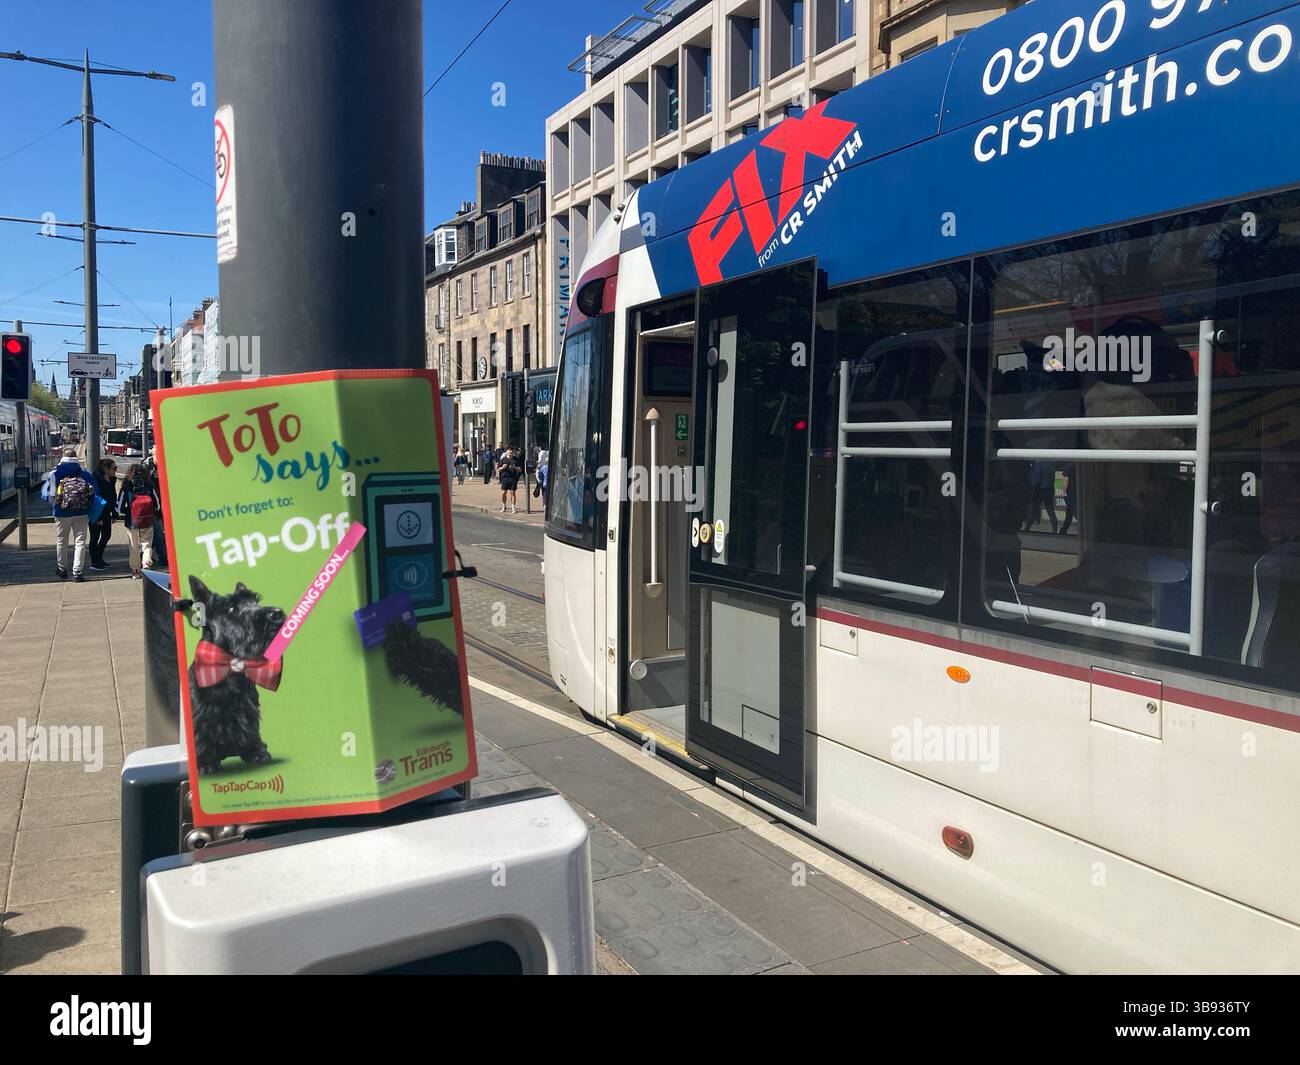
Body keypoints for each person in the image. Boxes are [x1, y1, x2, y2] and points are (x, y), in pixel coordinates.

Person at [51, 447, 97, 582]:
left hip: (61, 512)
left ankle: (62, 569)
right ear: (76, 458)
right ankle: (77, 573)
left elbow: (46, 494)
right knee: (80, 542)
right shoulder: (85, 474)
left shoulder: (55, 474)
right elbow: (96, 493)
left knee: (61, 540)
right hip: (82, 512)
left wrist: (55, 505)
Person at [118, 462, 161, 580]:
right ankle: (146, 563)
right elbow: (157, 505)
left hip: (131, 521)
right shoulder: (148, 485)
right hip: (147, 520)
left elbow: (119, 507)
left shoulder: (126, 486)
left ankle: (135, 570)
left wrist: (126, 511)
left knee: (134, 546)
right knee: (147, 544)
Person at [88, 458, 118, 571]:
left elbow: (112, 497)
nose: (115, 470)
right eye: (114, 468)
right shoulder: (96, 479)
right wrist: (98, 517)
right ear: (105, 469)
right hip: (97, 512)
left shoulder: (111, 479)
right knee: (94, 537)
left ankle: (99, 558)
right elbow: (96, 498)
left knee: (106, 535)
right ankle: (94, 562)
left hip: (107, 511)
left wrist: (114, 513)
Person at [498, 445, 523, 514]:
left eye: (512, 451)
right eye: (509, 450)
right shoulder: (503, 459)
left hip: (513, 478)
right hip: (505, 478)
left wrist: (515, 467)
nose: (511, 452)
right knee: (503, 492)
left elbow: (520, 469)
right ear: (507, 451)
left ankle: (513, 507)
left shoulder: (516, 459)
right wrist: (503, 467)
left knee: (513, 493)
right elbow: (499, 469)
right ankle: (504, 505)